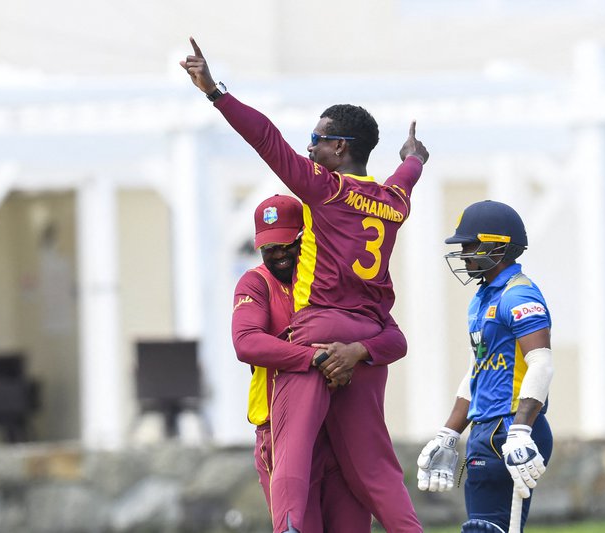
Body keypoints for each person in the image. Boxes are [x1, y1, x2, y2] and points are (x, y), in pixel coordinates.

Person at [182, 37, 428, 533]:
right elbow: (407, 174)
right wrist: (415, 155)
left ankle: (290, 527)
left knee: (291, 448)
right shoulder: (395, 199)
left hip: (318, 326)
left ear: (340, 148)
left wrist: (215, 93)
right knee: (377, 466)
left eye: (316, 140)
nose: (308, 148)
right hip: (369, 333)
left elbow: (265, 137)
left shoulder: (325, 187)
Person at [232, 193, 410, 532]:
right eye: (269, 248)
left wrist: (356, 351)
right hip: (282, 431)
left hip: (341, 433)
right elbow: (246, 343)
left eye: (288, 244)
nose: (279, 254)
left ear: (307, 239)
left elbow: (396, 340)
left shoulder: (333, 282)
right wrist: (314, 356)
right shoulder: (256, 283)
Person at [416, 200, 554, 533]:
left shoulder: (518, 296)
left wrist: (521, 429)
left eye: (469, 246)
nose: (463, 254)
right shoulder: (483, 298)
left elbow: (542, 363)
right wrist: (449, 433)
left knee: (491, 530)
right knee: (479, 527)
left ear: (496, 245)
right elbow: (477, 370)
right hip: (484, 428)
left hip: (511, 427)